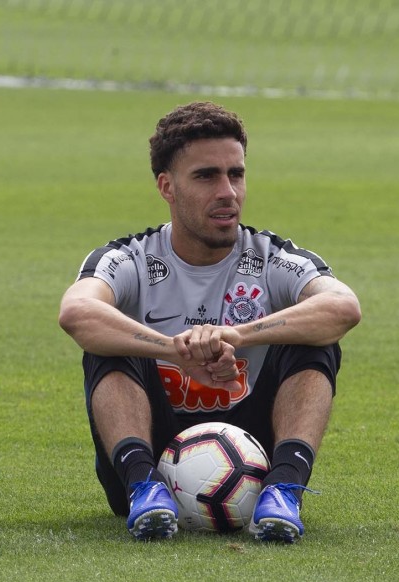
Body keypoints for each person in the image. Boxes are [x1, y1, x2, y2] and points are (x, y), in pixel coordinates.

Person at [58, 101, 361, 543]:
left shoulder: (273, 256)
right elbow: (77, 313)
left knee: (315, 338)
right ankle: (145, 486)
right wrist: (174, 351)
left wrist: (234, 335)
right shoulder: (130, 258)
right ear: (167, 186)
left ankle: (284, 489)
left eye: (235, 174)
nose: (228, 192)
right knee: (109, 333)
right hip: (150, 444)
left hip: (254, 452)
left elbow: (344, 307)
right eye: (206, 176)